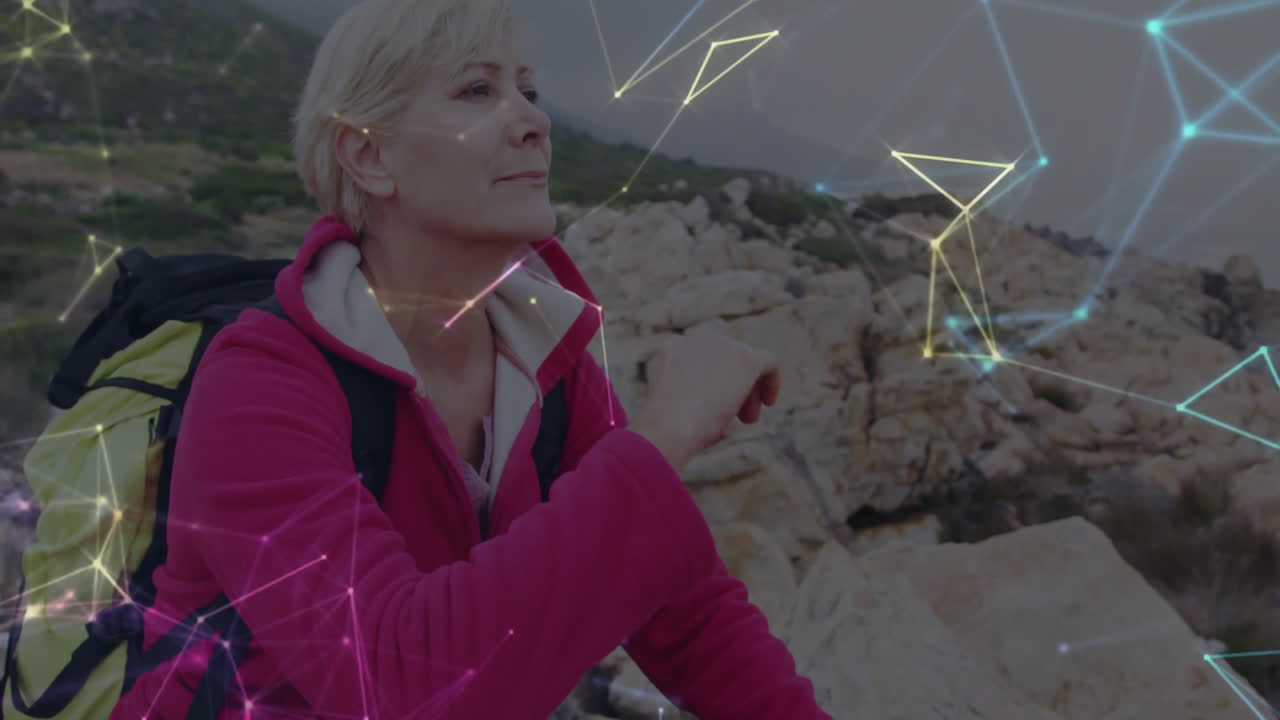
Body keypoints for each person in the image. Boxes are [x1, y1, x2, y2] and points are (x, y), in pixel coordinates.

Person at [108, 0, 831, 718]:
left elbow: (690, 616)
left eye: (529, 90)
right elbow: (401, 684)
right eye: (477, 91)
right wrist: (663, 433)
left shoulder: (548, 365)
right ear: (369, 155)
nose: (533, 121)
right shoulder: (260, 384)